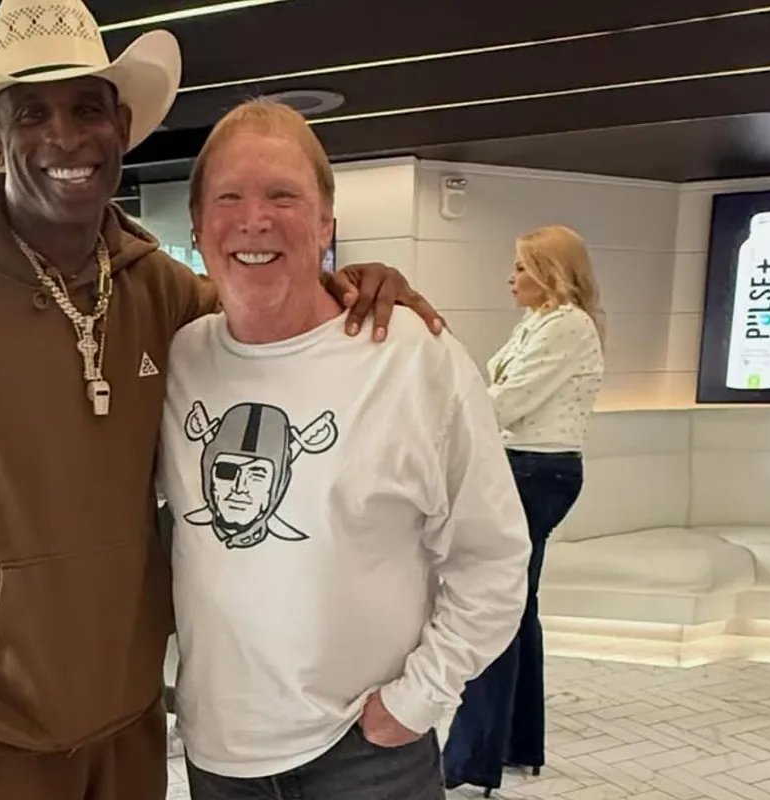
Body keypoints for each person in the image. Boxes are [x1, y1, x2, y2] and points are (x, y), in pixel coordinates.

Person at [0, 1, 443, 799]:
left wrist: (346, 285)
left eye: (87, 108)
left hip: (127, 733)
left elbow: (265, 312)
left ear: (120, 126)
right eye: (32, 114)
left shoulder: (160, 291)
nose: (65, 137)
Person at [155, 99, 531, 800]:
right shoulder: (179, 359)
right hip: (218, 756)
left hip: (364, 753)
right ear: (200, 228)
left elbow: (494, 556)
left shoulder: (414, 359)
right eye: (229, 198)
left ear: (327, 221)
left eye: (283, 196)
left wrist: (417, 700)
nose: (254, 220)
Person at [442, 224, 606, 795]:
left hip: (536, 473)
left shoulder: (567, 326)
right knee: (516, 606)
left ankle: (470, 760)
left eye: (519, 268)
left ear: (549, 273)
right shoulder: (539, 323)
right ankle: (513, 744)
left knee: (494, 606)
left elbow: (507, 402)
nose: (509, 279)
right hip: (525, 470)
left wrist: (437, 414)